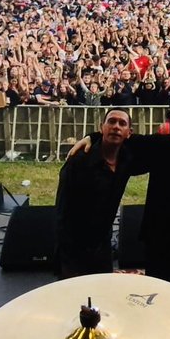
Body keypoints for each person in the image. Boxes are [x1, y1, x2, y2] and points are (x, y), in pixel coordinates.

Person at [71, 103, 170, 301]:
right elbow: (125, 138)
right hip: (160, 238)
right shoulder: (163, 145)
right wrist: (94, 136)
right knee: (158, 297)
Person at [55, 108, 135, 278]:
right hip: (74, 247)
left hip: (103, 245)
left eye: (122, 123)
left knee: (103, 296)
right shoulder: (79, 160)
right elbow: (62, 210)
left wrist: (91, 136)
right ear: (101, 127)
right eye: (111, 121)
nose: (116, 127)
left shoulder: (127, 159)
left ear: (129, 133)